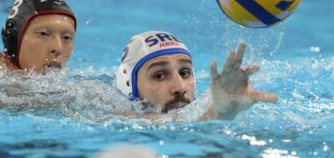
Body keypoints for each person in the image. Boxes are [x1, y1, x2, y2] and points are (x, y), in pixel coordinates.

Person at [116, 31, 278, 120]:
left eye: (185, 73)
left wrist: (225, 110)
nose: (179, 88)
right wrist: (216, 114)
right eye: (159, 75)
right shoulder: (101, 115)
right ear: (129, 84)